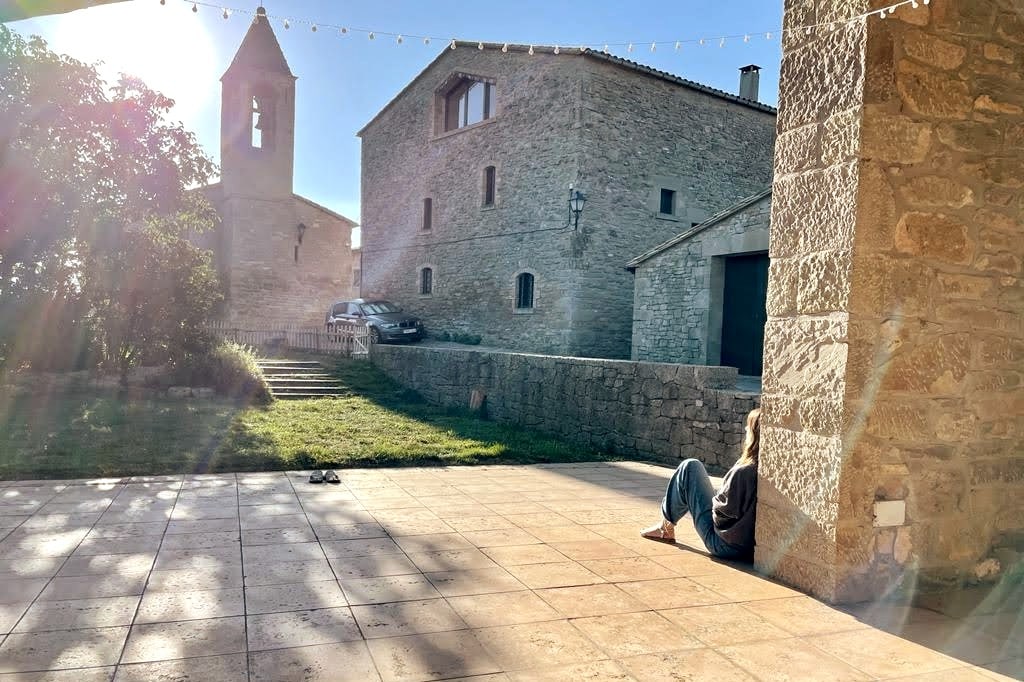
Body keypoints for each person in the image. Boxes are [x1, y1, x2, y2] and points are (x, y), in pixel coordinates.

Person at [641, 408, 760, 562]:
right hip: (751, 548)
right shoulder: (764, 467)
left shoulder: (744, 471)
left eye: (748, 426)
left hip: (725, 545)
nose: (744, 429)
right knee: (696, 476)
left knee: (690, 467)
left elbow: (721, 517)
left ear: (753, 434)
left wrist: (710, 500)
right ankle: (666, 526)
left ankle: (665, 527)